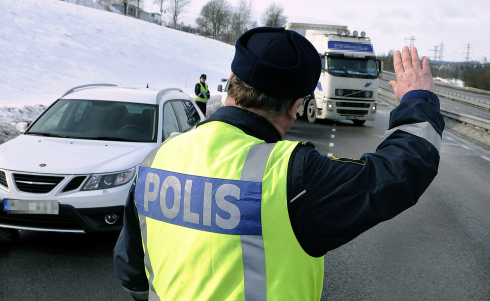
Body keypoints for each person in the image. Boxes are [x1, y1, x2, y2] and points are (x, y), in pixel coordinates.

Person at [114, 27, 444, 301]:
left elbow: (132, 273)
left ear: (231, 80)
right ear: (295, 106)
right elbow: (400, 171)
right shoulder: (293, 176)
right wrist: (417, 99)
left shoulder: (156, 160)